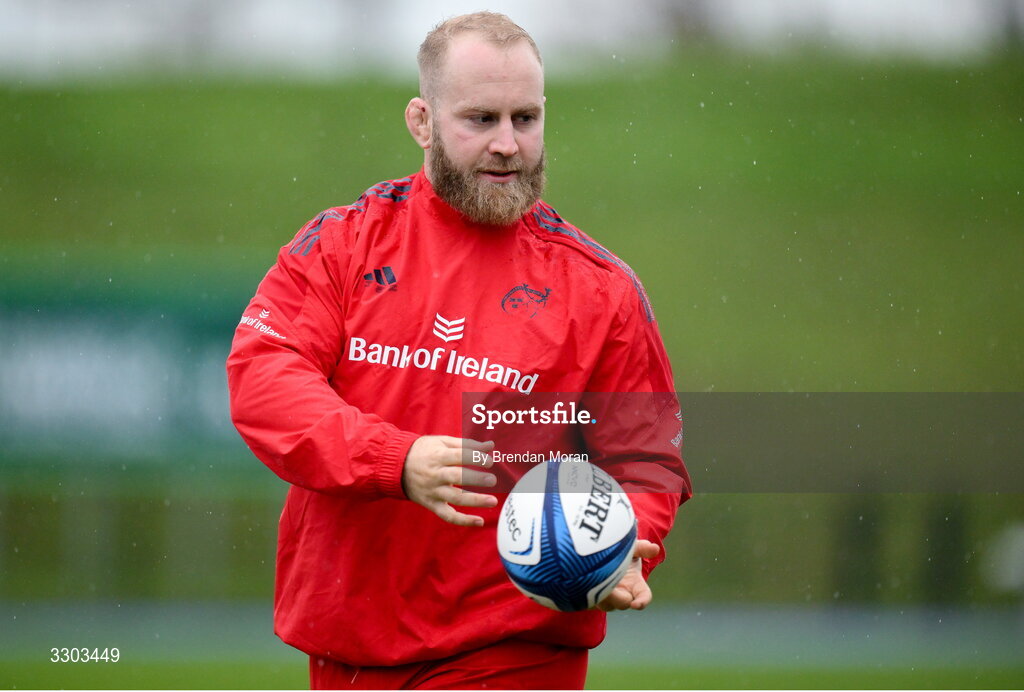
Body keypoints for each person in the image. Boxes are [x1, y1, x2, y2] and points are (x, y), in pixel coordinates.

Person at [227, 11, 690, 690]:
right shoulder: (342, 245)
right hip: (347, 645)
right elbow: (265, 382)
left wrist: (625, 549)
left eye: (525, 120)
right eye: (481, 120)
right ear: (422, 121)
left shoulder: (600, 289)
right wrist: (398, 459)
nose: (508, 144)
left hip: (512, 648)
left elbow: (646, 455)